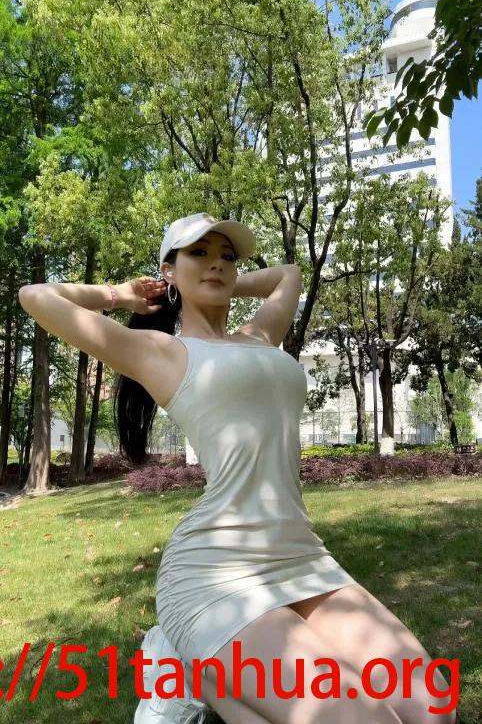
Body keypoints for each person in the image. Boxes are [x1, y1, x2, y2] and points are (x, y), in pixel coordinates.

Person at [19, 213, 457, 724]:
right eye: (198, 253)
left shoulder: (260, 336)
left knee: (433, 708)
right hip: (215, 573)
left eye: (226, 256)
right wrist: (124, 294)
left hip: (302, 556)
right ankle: (201, 666)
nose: (217, 263)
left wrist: (221, 281)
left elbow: (288, 275)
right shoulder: (161, 352)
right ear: (168, 270)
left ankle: (205, 675)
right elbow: (36, 296)